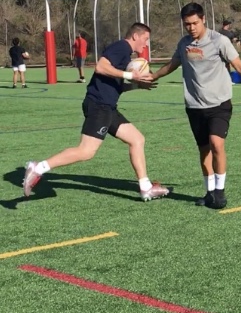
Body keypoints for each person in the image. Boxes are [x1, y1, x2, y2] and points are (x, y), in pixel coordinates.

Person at [151, 3, 241, 210]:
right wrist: (152, 76)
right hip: (194, 106)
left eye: (194, 23)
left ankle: (220, 192)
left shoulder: (219, 41)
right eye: (187, 24)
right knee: (204, 151)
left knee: (216, 144)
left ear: (203, 20)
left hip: (219, 104)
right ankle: (209, 193)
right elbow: (172, 64)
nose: (191, 27)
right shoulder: (184, 44)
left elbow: (240, 67)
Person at [22, 23, 170, 202]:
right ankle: (38, 168)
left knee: (137, 139)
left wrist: (138, 85)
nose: (146, 44)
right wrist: (132, 76)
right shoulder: (122, 47)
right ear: (135, 36)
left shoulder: (125, 54)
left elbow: (115, 85)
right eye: (145, 39)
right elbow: (100, 67)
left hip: (107, 106)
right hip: (99, 105)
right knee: (86, 151)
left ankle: (146, 187)